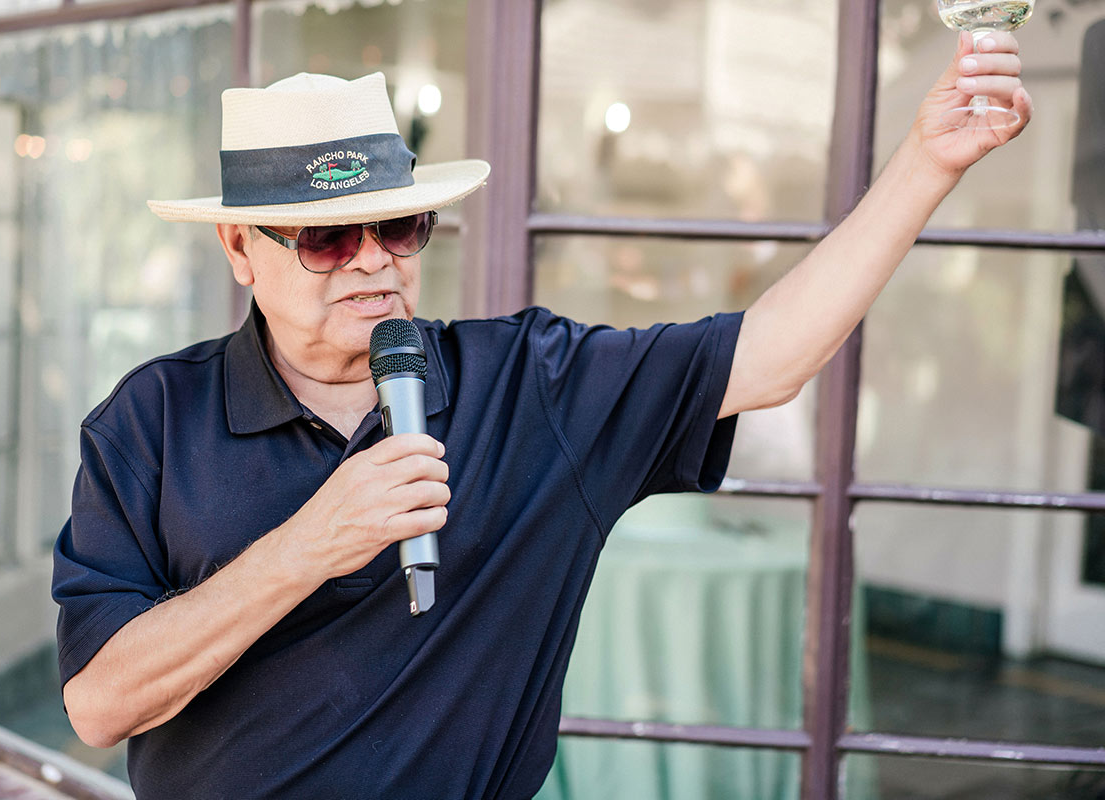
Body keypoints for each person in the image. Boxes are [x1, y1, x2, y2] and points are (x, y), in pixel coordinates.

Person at [52, 37, 1031, 799]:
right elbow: (100, 703)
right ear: (239, 247)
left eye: (398, 225)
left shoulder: (529, 382)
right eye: (326, 237)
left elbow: (770, 355)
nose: (374, 259)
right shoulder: (149, 420)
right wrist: (312, 542)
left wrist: (926, 163)